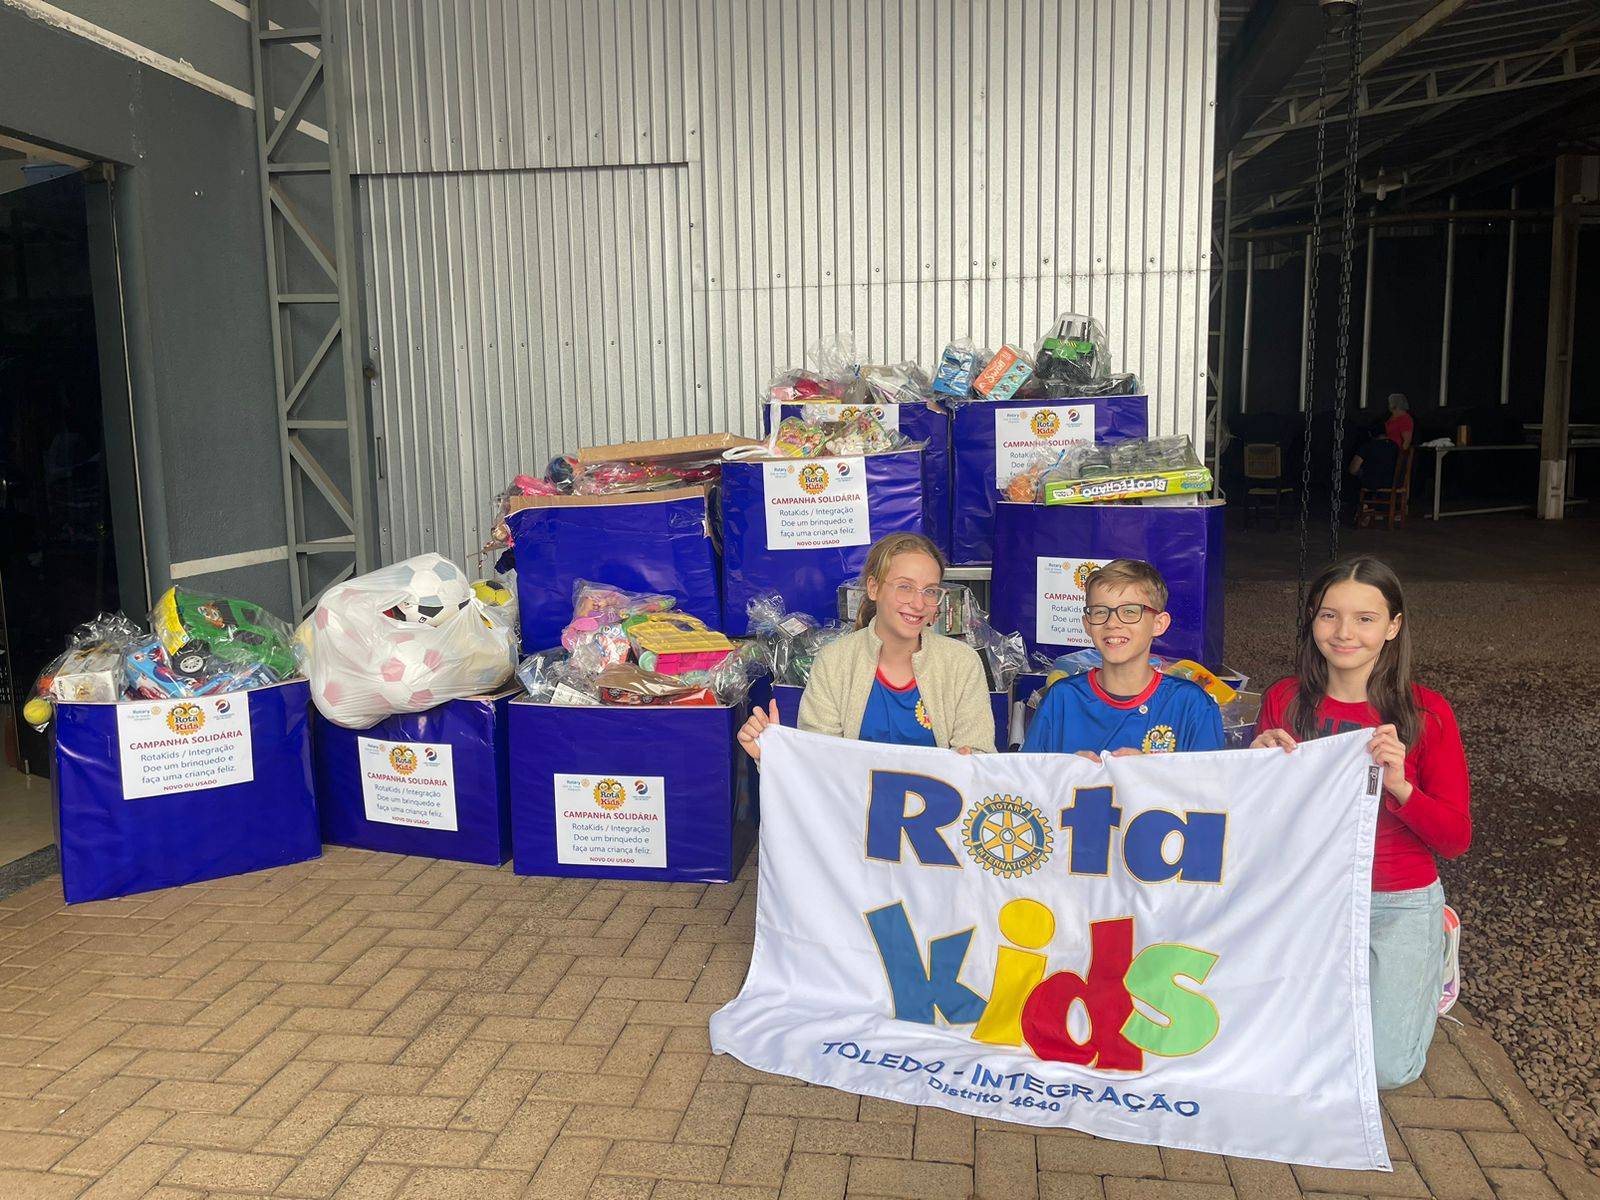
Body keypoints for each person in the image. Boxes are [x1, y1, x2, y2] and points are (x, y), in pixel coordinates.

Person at [1252, 556, 1470, 1090]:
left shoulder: (1427, 713)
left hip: (1395, 900)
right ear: (1312, 620)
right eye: (1329, 616)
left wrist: (1400, 786)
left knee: (1387, 1070)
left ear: (1393, 627)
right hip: (1307, 895)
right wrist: (1257, 766)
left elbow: (1455, 838)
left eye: (1365, 618)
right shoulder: (1284, 699)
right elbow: (1261, 819)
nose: (1344, 632)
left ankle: (1434, 949)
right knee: (1282, 1049)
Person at [736, 532, 997, 761]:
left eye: (930, 591)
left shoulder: (961, 663)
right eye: (905, 587)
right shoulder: (835, 662)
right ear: (873, 588)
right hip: (853, 815)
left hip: (938, 813)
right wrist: (772, 758)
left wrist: (973, 762)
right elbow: (817, 767)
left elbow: (979, 756)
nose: (918, 604)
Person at [1021, 559, 1223, 759]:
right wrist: (1066, 774)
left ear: (1158, 624)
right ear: (1087, 624)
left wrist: (1149, 775)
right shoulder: (1061, 699)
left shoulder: (1192, 705)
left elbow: (1211, 788)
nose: (1112, 623)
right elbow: (1028, 783)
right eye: (1100, 612)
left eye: (1129, 611)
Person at [1348, 393, 1413, 487]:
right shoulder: (1391, 417)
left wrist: (1400, 457)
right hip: (1383, 446)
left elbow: (1406, 441)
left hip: (1392, 450)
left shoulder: (1405, 419)